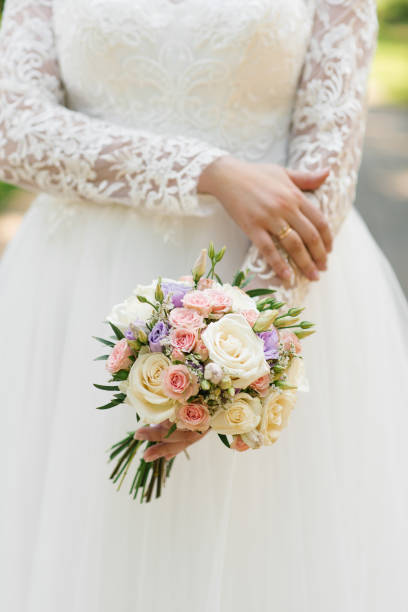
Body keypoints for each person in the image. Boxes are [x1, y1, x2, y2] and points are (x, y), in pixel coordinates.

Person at [0, 0, 407, 610]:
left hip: (270, 281)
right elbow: (15, 130)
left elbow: (326, 169)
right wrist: (207, 172)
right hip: (75, 294)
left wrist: (231, 359)